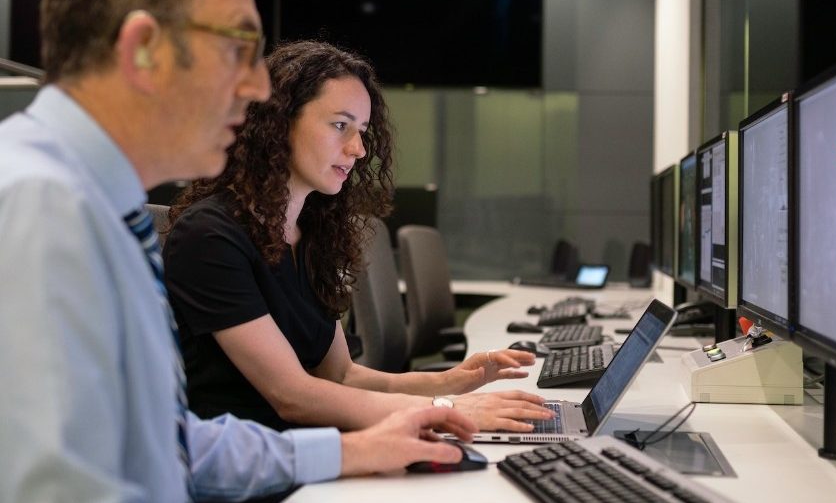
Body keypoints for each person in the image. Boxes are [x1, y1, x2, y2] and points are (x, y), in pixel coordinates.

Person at [0, 0, 601, 503]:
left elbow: (175, 441)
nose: (255, 89)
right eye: (239, 51)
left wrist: (349, 450)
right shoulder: (38, 209)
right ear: (143, 48)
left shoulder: (97, 206)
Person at [165, 40, 553, 433]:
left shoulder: (313, 235)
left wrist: (454, 380)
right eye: (340, 125)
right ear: (278, 122)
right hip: (257, 472)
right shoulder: (210, 236)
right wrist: (446, 408)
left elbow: (342, 377)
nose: (359, 149)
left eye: (362, 131)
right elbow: (292, 396)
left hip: (318, 450)